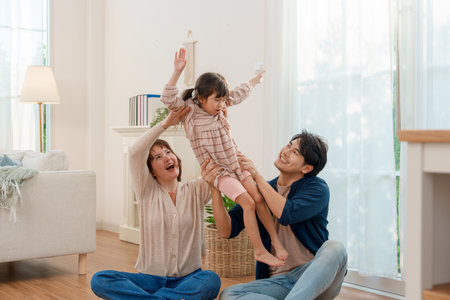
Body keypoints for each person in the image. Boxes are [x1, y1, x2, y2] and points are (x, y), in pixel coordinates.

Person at [160, 48, 287, 267]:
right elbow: (167, 97)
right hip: (219, 171)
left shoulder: (221, 106)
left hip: (235, 161)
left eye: (223, 101)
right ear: (200, 98)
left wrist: (255, 81)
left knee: (258, 197)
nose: (222, 105)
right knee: (247, 203)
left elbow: (238, 93)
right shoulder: (189, 111)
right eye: (217, 100)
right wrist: (177, 71)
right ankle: (259, 251)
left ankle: (275, 240)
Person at [90, 107, 220, 300]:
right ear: (151, 171)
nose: (167, 157)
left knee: (211, 279)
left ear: (176, 158)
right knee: (100, 279)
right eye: (158, 157)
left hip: (188, 279)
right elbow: (134, 152)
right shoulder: (146, 190)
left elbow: (219, 159)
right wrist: (166, 123)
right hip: (149, 280)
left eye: (168, 152)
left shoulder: (196, 189)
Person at [201, 130, 348, 300]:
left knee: (336, 249)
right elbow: (226, 230)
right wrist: (215, 187)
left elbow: (286, 213)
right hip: (278, 283)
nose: (285, 151)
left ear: (306, 168)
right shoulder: (260, 192)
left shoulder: (317, 188)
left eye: (295, 152)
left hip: (315, 279)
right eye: (289, 145)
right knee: (230, 294)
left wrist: (255, 175)